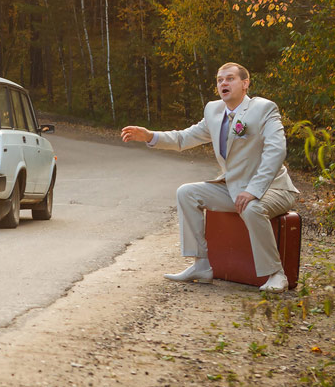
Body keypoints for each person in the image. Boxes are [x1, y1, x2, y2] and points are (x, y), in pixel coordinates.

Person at [120, 63, 298, 293]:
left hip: (274, 189)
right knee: (187, 192)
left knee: (252, 208)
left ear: (245, 84)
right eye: (219, 80)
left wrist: (253, 190)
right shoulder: (214, 112)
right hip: (234, 188)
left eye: (230, 79)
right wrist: (150, 135)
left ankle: (276, 274)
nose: (223, 83)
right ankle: (201, 265)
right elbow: (184, 138)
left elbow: (276, 152)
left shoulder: (264, 109)